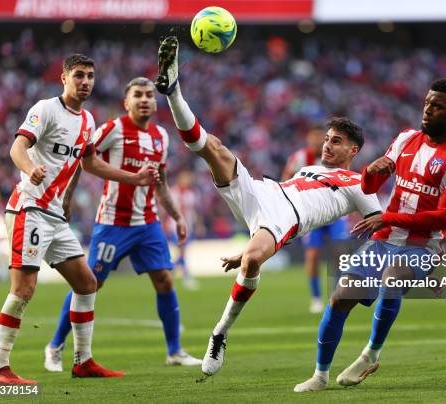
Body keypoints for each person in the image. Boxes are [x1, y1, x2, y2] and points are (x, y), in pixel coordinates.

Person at [154, 36, 382, 377]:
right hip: (265, 191)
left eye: (337, 142)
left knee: (252, 259)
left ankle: (219, 333)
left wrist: (370, 271)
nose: (327, 146)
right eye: (327, 139)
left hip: (284, 218)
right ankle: (173, 90)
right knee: (213, 147)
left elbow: (380, 223)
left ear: (353, 151)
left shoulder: (359, 185)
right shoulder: (309, 165)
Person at [294, 77, 446, 392]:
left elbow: (444, 217)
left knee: (392, 278)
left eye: (438, 106)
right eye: (427, 102)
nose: (428, 110)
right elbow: (368, 187)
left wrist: (386, 217)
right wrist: (371, 172)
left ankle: (370, 354)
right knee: (340, 298)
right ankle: (320, 376)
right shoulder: (406, 139)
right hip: (384, 239)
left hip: (424, 245)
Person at [0, 55, 159, 384]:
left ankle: (83, 361)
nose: (86, 81)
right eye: (79, 75)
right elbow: (17, 148)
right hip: (30, 207)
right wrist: (29, 168)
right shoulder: (46, 109)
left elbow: (91, 164)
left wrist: (134, 178)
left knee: (86, 283)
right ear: (64, 78)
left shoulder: (88, 121)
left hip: (53, 214)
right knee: (24, 288)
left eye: (91, 76)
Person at [43, 77, 202, 372]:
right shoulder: (113, 129)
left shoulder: (161, 137)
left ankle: (175, 351)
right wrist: (67, 198)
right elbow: (83, 158)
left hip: (148, 223)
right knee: (89, 285)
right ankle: (55, 345)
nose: (144, 100)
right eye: (137, 95)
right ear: (126, 102)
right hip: (112, 223)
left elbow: (161, 181)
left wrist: (177, 216)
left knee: (165, 280)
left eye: (149, 95)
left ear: (155, 103)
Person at [281, 128, 350, 314]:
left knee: (340, 253)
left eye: (322, 137)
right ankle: (316, 298)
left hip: (335, 214)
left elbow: (348, 180)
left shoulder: (337, 157)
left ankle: (338, 293)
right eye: (314, 136)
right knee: (312, 256)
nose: (318, 140)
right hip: (312, 216)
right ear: (308, 138)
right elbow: (285, 180)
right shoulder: (300, 158)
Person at [167, 170, 200, 290]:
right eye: (186, 178)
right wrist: (165, 224)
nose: (188, 181)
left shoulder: (191, 194)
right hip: (175, 227)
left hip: (188, 227)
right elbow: (166, 210)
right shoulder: (173, 192)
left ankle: (169, 271)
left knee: (183, 253)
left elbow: (194, 212)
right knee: (182, 252)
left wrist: (197, 225)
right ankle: (186, 277)